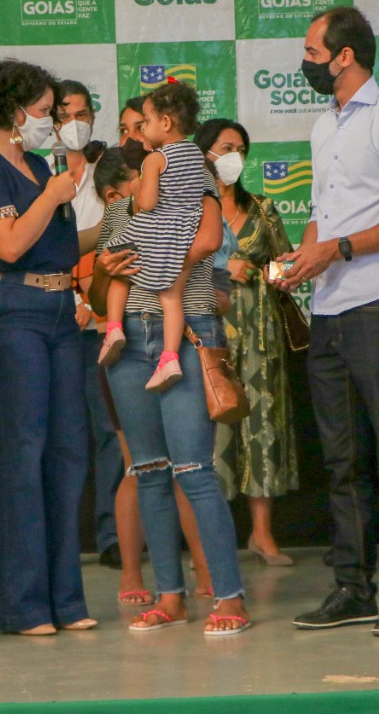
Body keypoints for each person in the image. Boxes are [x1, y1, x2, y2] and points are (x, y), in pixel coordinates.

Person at [281, 6, 379, 637]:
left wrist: (338, 250)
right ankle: (353, 587)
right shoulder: (325, 126)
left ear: (345, 56)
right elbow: (325, 210)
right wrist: (305, 254)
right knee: (342, 462)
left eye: (313, 52)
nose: (307, 62)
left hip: (378, 306)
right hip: (328, 309)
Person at [92, 129, 251, 637]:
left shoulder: (201, 201)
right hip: (128, 345)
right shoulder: (121, 212)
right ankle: (170, 597)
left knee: (194, 470)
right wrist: (104, 270)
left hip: (184, 337)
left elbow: (216, 271)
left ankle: (230, 598)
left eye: (165, 164)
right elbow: (105, 286)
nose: (156, 174)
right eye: (150, 168)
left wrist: (176, 277)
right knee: (150, 470)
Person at [0, 58, 94, 637]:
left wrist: (119, 223)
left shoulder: (40, 164)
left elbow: (61, 245)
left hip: (61, 310)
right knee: (23, 454)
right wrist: (55, 192)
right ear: (14, 113)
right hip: (11, 313)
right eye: (44, 111)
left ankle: (66, 599)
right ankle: (24, 606)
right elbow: (10, 245)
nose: (52, 121)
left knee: (68, 452)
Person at [196, 117, 299, 566]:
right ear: (204, 153)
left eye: (240, 148)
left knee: (262, 426)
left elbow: (287, 269)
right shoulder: (188, 206)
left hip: (260, 333)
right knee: (213, 428)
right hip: (210, 330)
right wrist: (222, 271)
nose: (233, 155)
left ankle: (261, 534)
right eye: (224, 146)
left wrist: (259, 271)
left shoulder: (262, 209)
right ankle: (212, 541)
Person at [55, 80, 124, 571]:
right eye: (65, 113)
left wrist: (88, 299)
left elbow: (117, 240)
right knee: (59, 431)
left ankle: (112, 535)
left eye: (84, 112)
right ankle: (58, 537)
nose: (76, 122)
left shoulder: (110, 172)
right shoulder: (40, 173)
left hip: (101, 322)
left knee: (108, 431)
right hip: (52, 316)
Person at [98, 83, 207, 393]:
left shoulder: (156, 159)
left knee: (120, 268)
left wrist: (146, 175)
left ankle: (115, 329)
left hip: (153, 230)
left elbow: (146, 204)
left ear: (166, 122)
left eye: (145, 122)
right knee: (171, 297)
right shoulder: (196, 155)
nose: (141, 130)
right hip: (183, 234)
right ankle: (170, 358)